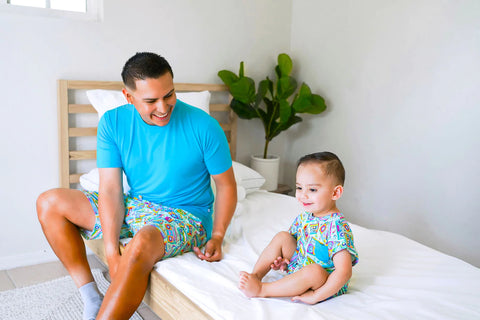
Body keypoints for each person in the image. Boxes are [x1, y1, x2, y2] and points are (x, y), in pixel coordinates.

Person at [37, 52, 237, 320]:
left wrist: (218, 235)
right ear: (128, 97)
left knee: (141, 242)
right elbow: (110, 190)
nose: (164, 107)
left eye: (169, 95)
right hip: (138, 205)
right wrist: (111, 252)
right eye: (151, 100)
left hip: (186, 215)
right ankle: (92, 298)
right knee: (49, 202)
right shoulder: (113, 123)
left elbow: (226, 186)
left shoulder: (205, 126)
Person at [238, 151, 358, 304]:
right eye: (300, 188)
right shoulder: (306, 216)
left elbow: (344, 273)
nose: (303, 195)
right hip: (303, 265)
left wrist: (316, 296)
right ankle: (256, 275)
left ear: (335, 192)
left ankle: (262, 289)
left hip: (325, 282)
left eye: (312, 189)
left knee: (314, 272)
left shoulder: (337, 227)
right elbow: (296, 244)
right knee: (283, 237)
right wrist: (284, 261)